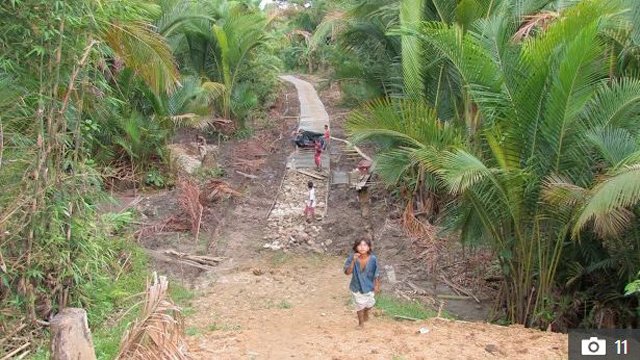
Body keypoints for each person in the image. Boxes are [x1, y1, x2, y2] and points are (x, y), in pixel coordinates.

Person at [343, 238, 380, 328]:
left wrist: (377, 285)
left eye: (365, 245)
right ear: (356, 247)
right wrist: (353, 261)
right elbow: (347, 272)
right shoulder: (352, 258)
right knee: (360, 305)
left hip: (369, 286)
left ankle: (366, 312)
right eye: (360, 245)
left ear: (369, 247)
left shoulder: (373, 259)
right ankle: (361, 324)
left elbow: (377, 273)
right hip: (357, 286)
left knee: (370, 303)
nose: (362, 247)